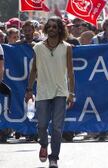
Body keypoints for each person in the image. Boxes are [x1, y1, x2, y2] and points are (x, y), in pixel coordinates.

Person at [25, 16, 75, 168]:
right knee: (42, 125)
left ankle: (54, 158)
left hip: (61, 91)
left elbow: (71, 72)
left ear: (60, 29)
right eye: (50, 26)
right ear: (46, 29)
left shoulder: (67, 47)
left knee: (57, 127)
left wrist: (71, 92)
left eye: (55, 26)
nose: (52, 29)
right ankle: (44, 145)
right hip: (43, 91)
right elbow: (34, 69)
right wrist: (28, 89)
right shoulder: (38, 47)